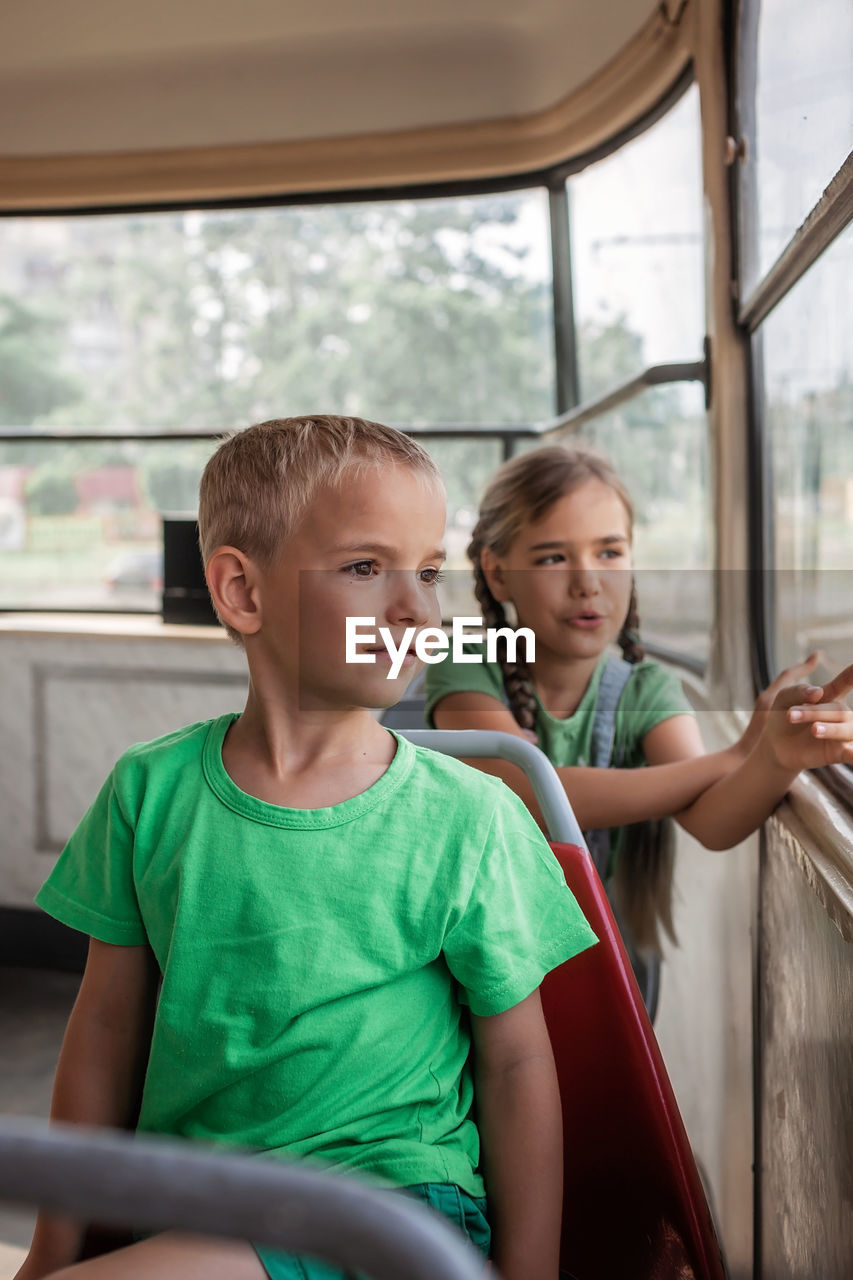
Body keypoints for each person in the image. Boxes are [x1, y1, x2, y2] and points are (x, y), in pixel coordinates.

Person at [17, 417, 597, 1280]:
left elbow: (516, 1061)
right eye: (367, 568)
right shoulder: (149, 793)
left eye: (429, 572)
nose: (416, 607)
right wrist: (51, 1249)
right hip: (198, 1201)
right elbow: (104, 1025)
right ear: (243, 594)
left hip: (386, 1212)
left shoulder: (471, 818)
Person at [425, 444, 853, 958]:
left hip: (607, 956)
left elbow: (713, 822)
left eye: (609, 552)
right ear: (498, 573)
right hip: (478, 952)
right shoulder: (466, 659)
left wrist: (776, 757)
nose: (588, 583)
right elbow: (526, 790)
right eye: (553, 558)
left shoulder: (648, 689)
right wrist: (735, 756)